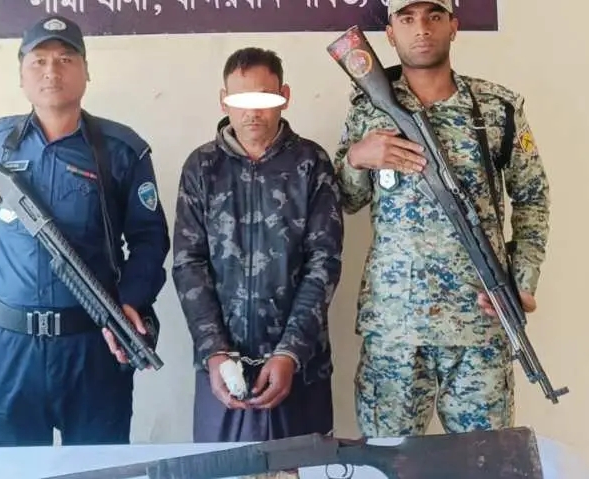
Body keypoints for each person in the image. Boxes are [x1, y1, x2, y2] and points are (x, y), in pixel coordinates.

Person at [0, 15, 170, 447]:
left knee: (97, 469)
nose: (52, 71)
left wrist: (131, 301)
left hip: (93, 342)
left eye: (65, 59)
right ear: (22, 75)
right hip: (9, 345)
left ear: (86, 72)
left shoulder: (120, 150)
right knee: (5, 470)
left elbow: (150, 238)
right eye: (39, 61)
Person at [332, 0, 551, 438]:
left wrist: (523, 281)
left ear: (453, 25)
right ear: (390, 33)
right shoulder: (366, 109)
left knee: (485, 462)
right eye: (407, 18)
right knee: (387, 459)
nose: (422, 29)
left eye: (434, 16)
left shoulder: (497, 108)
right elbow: (345, 201)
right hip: (395, 326)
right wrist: (358, 157)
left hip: (478, 324)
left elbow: (533, 197)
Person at [171, 47, 343, 468]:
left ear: (284, 96)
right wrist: (214, 350)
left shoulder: (311, 164)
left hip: (300, 368)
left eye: (264, 98)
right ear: (223, 101)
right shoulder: (202, 167)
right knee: (220, 470)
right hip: (223, 371)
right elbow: (188, 263)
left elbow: (324, 262)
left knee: (301, 471)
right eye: (240, 99)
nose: (252, 112)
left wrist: (290, 352)